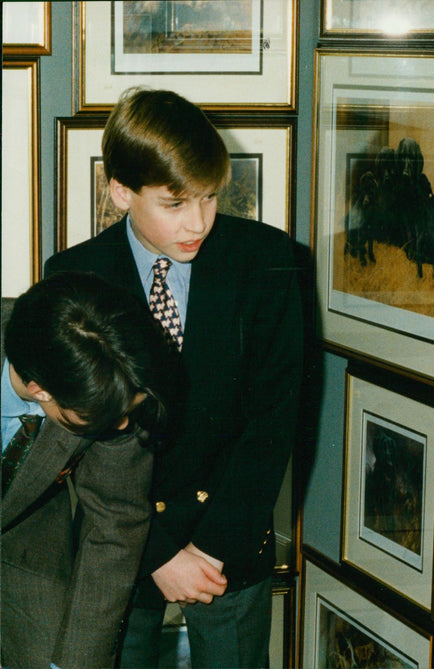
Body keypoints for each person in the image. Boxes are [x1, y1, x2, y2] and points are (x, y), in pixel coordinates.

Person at [45, 86, 304, 667]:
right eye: (175, 203)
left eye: (210, 198)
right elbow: (78, 445)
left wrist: (207, 548)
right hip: (121, 549)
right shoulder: (73, 277)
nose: (199, 222)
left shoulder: (267, 261)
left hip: (227, 544)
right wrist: (159, 554)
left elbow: (273, 425)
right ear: (120, 191)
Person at [1, 270, 177, 668]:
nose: (121, 429)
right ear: (39, 391)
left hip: (24, 538)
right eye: (105, 420)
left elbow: (115, 525)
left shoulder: (116, 378)